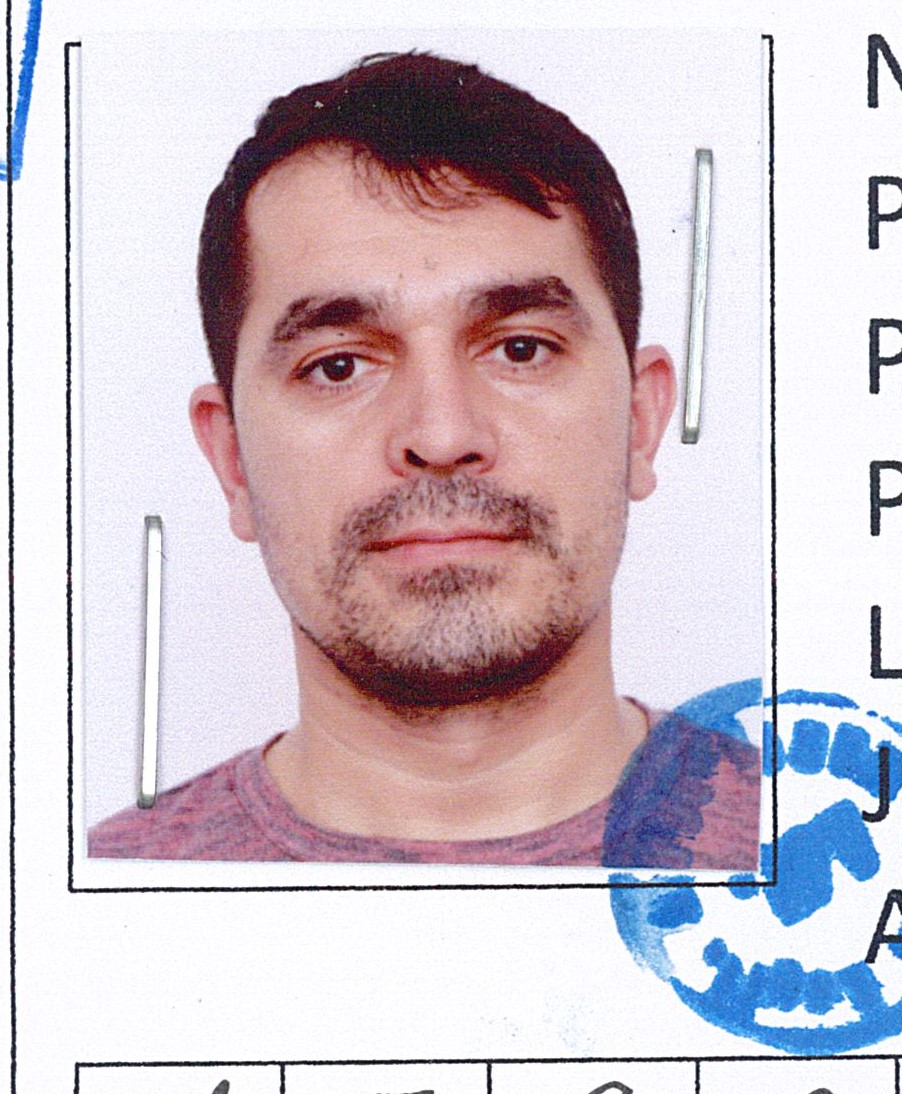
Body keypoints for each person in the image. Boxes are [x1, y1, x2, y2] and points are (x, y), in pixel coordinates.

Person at [89, 51, 759, 867]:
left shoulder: (854, 865)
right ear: (232, 460)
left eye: (520, 348)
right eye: (339, 366)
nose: (442, 437)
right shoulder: (75, 910)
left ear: (641, 421)